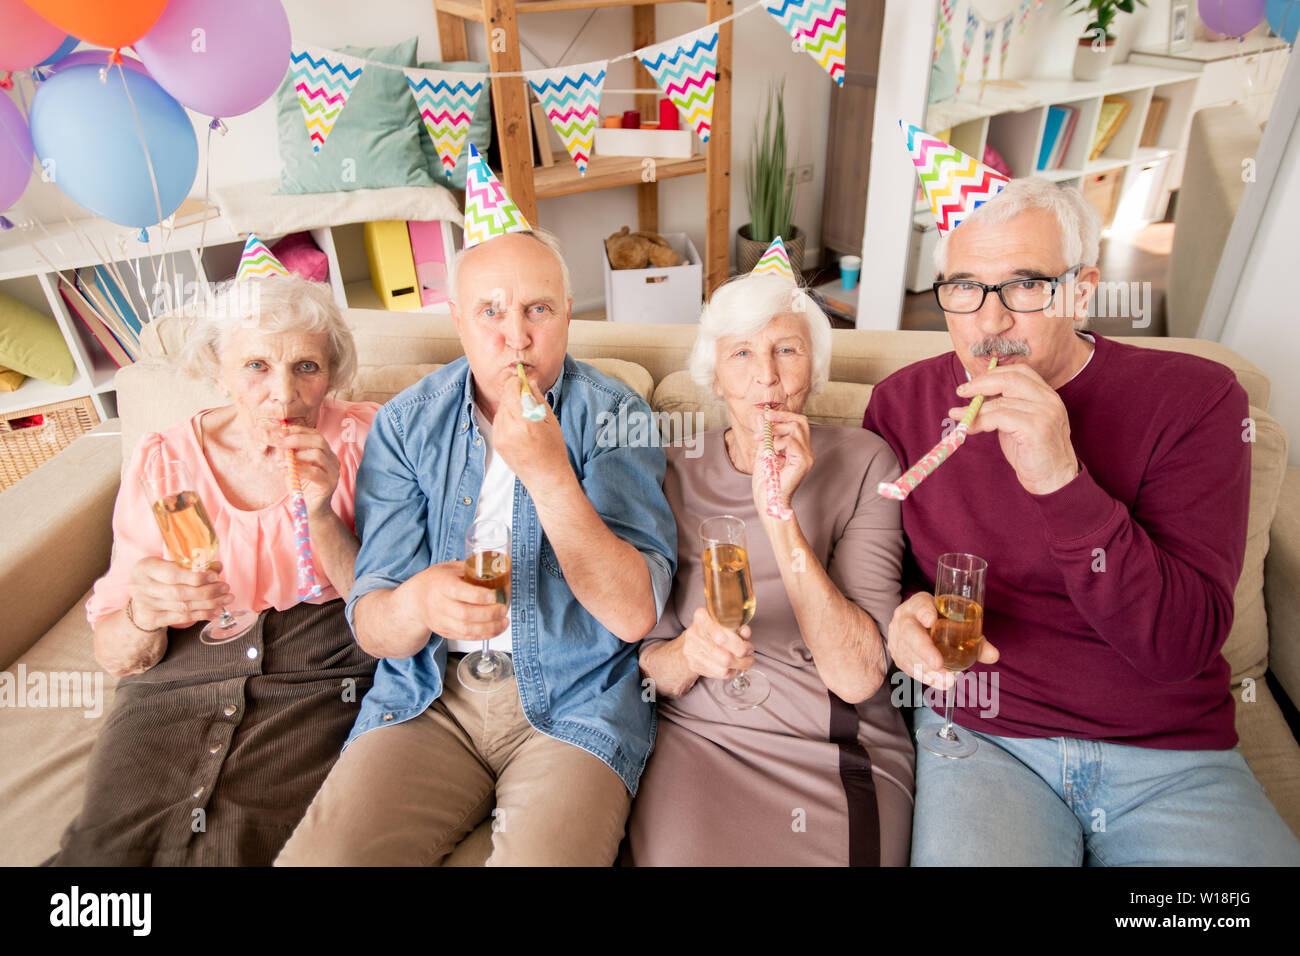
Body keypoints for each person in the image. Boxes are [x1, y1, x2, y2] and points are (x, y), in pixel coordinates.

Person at [864, 159, 1300, 865]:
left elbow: (1180, 645)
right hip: (983, 737)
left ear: (1082, 292)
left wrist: (1061, 477)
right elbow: (892, 575)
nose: (991, 321)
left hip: (1171, 759)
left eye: (1027, 287)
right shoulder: (902, 405)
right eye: (965, 288)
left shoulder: (1198, 401)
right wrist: (904, 615)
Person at [276, 155, 676, 867]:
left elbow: (633, 614)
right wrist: (421, 600)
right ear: (458, 321)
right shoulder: (405, 426)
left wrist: (550, 473)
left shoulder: (620, 416)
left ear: (568, 317)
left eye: (537, 310)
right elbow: (373, 627)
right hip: (429, 701)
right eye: (490, 311)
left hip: (576, 705)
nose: (515, 337)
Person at [51, 271, 378, 865]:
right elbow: (119, 651)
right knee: (100, 855)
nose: (283, 394)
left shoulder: (363, 441)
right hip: (179, 671)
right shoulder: (167, 462)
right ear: (218, 368)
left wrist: (322, 514)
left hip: (319, 670)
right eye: (256, 366)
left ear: (332, 372)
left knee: (239, 844)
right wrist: (142, 610)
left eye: (307, 366)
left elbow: (388, 610)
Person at [624, 239, 913, 866]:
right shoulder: (670, 470)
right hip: (702, 738)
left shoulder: (866, 463)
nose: (768, 378)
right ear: (714, 373)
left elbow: (861, 674)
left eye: (788, 349)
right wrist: (690, 652)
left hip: (827, 743)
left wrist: (778, 512)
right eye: (743, 353)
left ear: (813, 365)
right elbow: (652, 669)